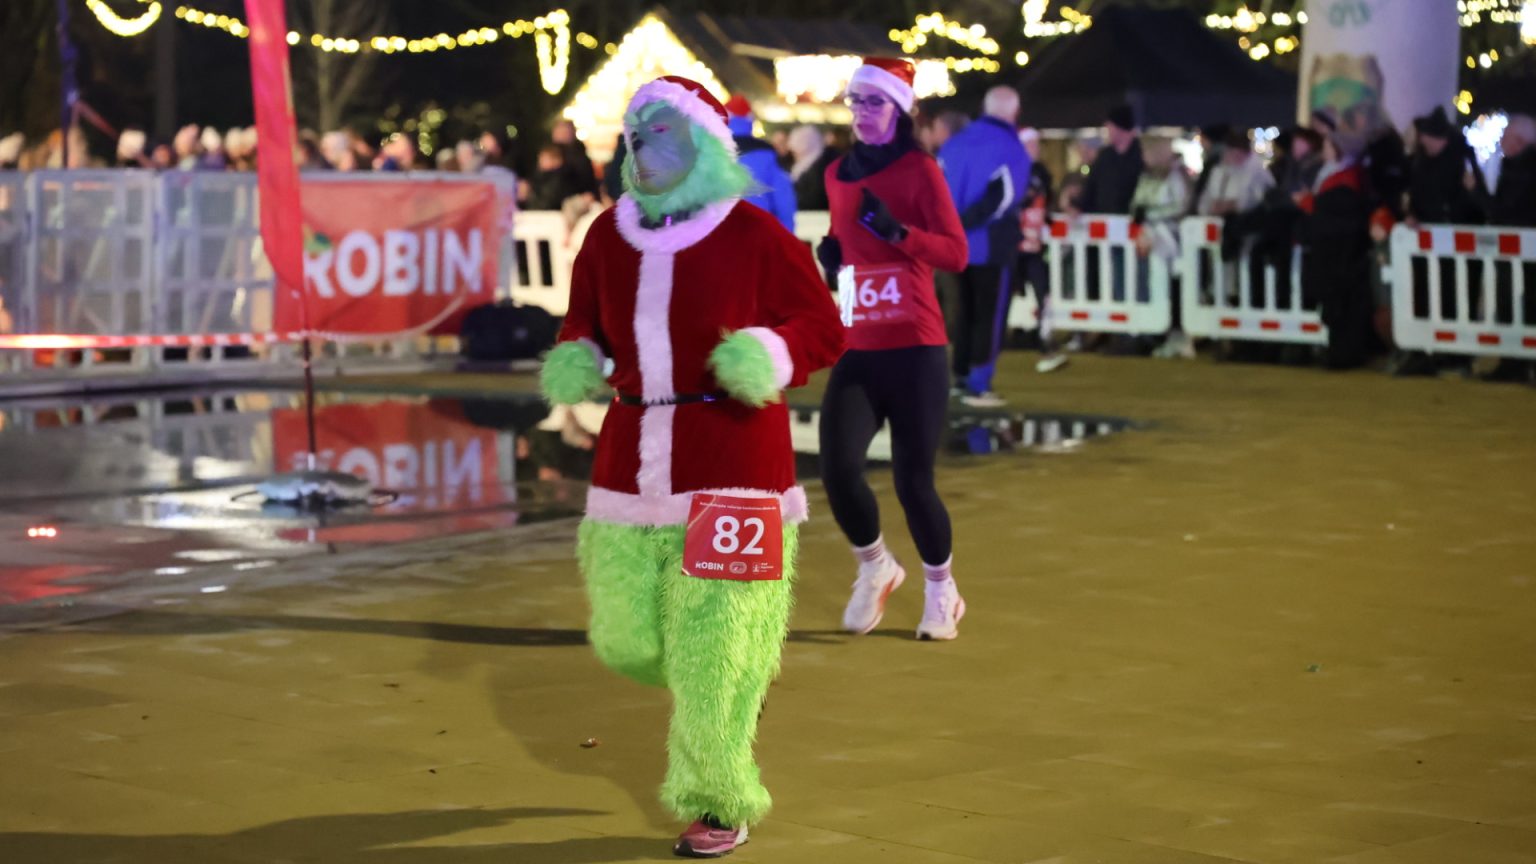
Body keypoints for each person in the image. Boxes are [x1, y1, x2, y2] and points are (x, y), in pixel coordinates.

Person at [539, 75, 844, 858]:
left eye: (663, 131)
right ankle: (739, 682)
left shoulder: (753, 234)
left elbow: (821, 326)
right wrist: (579, 354)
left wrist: (769, 353)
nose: (645, 147)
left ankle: (718, 796)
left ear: (705, 142)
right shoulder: (607, 236)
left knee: (712, 655)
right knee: (626, 640)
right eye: (635, 134)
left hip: (734, 460)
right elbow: (585, 322)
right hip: (629, 465)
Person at [815, 57, 969, 641]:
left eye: (874, 102)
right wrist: (833, 258)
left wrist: (900, 234)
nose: (862, 111)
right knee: (838, 469)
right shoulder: (837, 173)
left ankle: (941, 590)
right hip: (859, 343)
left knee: (912, 481)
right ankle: (876, 566)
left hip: (915, 346)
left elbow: (956, 253)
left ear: (900, 109)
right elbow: (848, 246)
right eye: (855, 101)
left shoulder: (919, 170)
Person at [939, 86, 1032, 406]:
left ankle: (960, 375)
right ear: (1015, 111)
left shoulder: (954, 143)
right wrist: (967, 222)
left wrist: (950, 226)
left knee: (964, 310)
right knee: (989, 316)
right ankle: (979, 383)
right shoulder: (1011, 146)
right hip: (990, 242)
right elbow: (1002, 197)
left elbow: (936, 190)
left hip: (955, 245)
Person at [1299, 130, 1372, 369]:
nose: (1324, 150)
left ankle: (1344, 354)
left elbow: (1337, 209)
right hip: (1332, 247)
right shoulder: (1335, 173)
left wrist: (1310, 204)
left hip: (1342, 250)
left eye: (1328, 146)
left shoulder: (1347, 176)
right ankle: (1337, 351)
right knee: (1335, 302)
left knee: (1342, 302)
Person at [1016, 127, 1067, 372]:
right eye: (1031, 144)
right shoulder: (1013, 170)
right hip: (1014, 248)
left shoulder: (1042, 174)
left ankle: (1046, 345)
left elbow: (1045, 204)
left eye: (1037, 144)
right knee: (1000, 301)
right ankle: (985, 354)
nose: (1036, 149)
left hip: (1034, 248)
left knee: (1043, 294)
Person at [725, 95, 796, 231]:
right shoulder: (768, 154)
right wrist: (787, 234)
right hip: (759, 230)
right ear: (750, 120)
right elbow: (783, 200)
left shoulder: (709, 152)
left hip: (718, 233)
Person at [1075, 105, 1143, 216]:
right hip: (1103, 220)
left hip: (1130, 221)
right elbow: (1091, 188)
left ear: (1119, 127)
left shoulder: (1141, 157)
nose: (1107, 130)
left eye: (1110, 126)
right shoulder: (1104, 157)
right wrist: (1077, 206)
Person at [787, 125, 838, 211]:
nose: (793, 150)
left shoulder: (820, 168)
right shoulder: (805, 164)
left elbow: (815, 198)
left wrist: (788, 201)